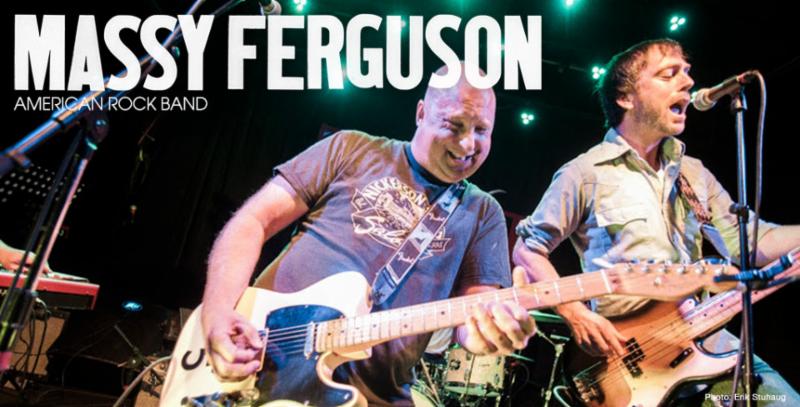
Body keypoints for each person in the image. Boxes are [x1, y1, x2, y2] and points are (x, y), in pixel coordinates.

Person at [201, 64, 535, 405]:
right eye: (454, 125)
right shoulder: (350, 148)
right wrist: (216, 312)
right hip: (257, 359)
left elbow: (475, 314)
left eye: (481, 130)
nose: (467, 143)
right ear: (421, 113)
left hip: (373, 397)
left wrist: (485, 334)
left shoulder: (483, 213)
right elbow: (253, 220)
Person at [513, 38, 800, 404]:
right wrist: (574, 313)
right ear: (625, 97)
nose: (688, 82)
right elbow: (527, 250)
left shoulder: (694, 174)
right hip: (629, 361)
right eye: (668, 74)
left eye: (687, 73)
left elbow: (754, 244)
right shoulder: (585, 172)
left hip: (708, 343)